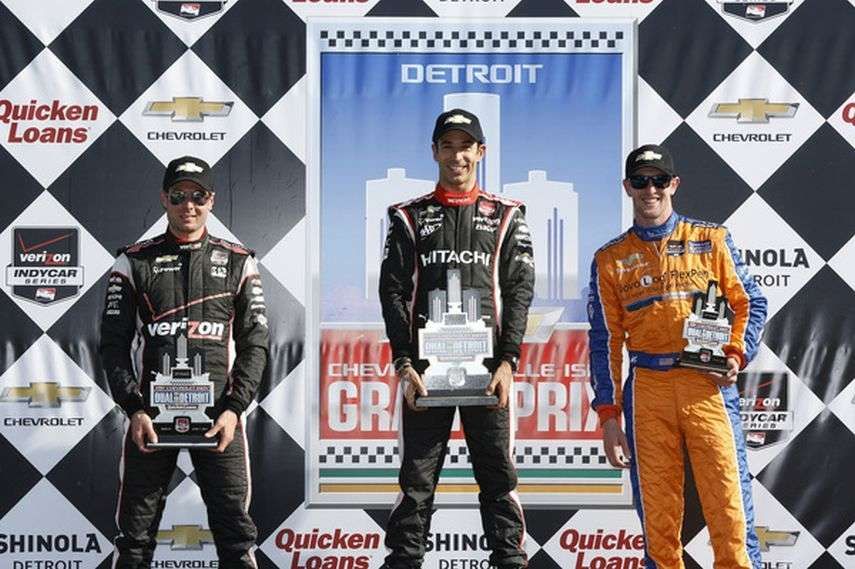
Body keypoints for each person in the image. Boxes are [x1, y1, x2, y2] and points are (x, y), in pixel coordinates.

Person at [587, 144, 766, 569]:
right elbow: (606, 341)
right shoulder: (609, 259)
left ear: (674, 184)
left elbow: (750, 302)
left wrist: (736, 354)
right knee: (658, 519)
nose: (651, 190)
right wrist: (610, 417)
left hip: (706, 384)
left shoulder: (711, 238)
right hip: (647, 387)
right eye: (641, 181)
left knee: (729, 508)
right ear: (627, 187)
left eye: (659, 180)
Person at [378, 109, 534, 569]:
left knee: (499, 479)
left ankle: (509, 561)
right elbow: (392, 292)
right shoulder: (409, 216)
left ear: (480, 153)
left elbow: (520, 290)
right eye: (447, 145)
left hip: (489, 376)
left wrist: (509, 362)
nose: (457, 155)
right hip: (426, 376)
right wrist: (404, 364)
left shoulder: (507, 215)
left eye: (466, 146)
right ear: (434, 152)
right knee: (417, 481)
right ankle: (404, 562)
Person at [100, 156, 269, 569]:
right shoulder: (133, 262)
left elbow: (256, 343)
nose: (188, 204)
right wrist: (134, 409)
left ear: (211, 200)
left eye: (198, 195)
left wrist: (234, 409)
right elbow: (113, 345)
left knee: (236, 536)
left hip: (219, 420)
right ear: (164, 199)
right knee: (134, 539)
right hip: (150, 422)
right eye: (178, 195)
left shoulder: (239, 261)